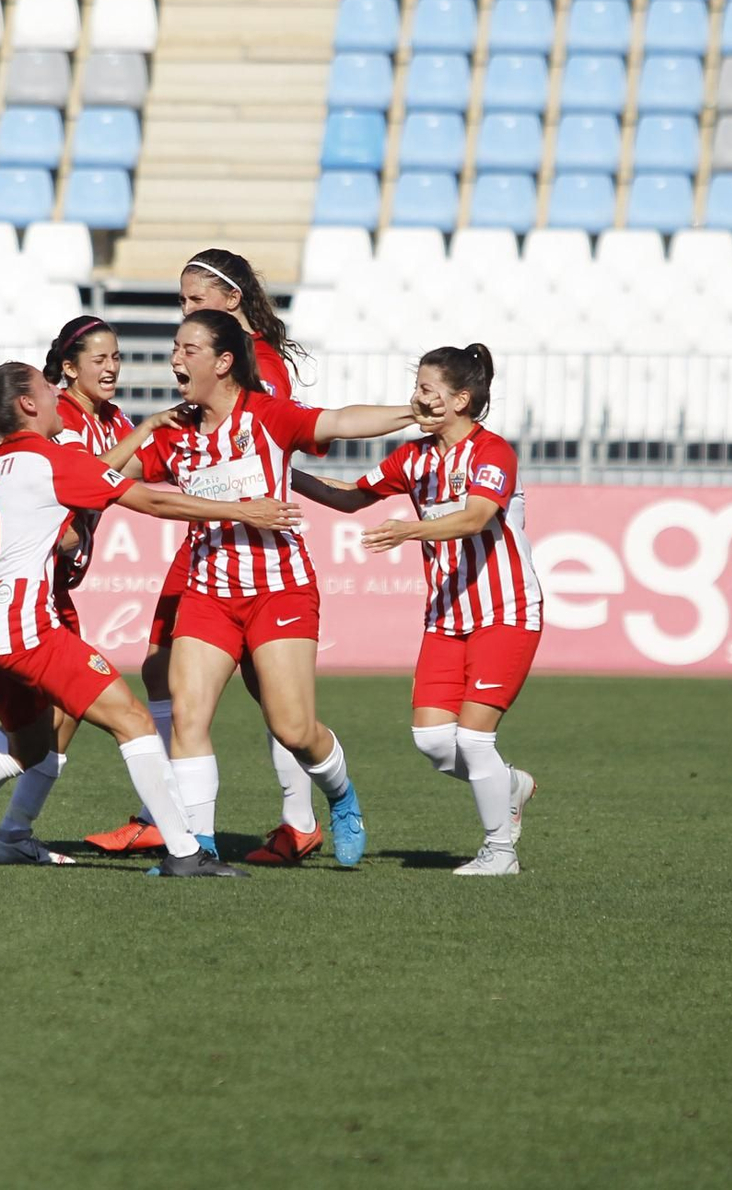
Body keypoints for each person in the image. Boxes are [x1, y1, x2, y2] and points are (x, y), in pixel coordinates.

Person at [0, 361, 307, 878]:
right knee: (131, 718)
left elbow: (51, 526)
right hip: (24, 625)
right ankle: (185, 852)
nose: (60, 396)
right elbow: (149, 499)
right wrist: (245, 511)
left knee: (28, 745)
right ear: (28, 405)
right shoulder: (51, 458)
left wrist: (145, 431)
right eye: (49, 390)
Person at [104, 309, 421, 868]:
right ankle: (196, 848)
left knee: (293, 728)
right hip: (207, 591)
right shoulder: (174, 430)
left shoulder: (268, 415)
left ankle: (342, 798)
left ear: (224, 363)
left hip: (280, 590)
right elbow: (100, 479)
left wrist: (411, 412)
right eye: (175, 348)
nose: (175, 358)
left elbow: (341, 421)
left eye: (188, 349)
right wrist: (144, 429)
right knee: (189, 716)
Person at [86, 250, 324, 865]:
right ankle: (179, 818)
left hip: (240, 543)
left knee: (264, 694)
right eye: (183, 302)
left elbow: (264, 440)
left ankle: (292, 819)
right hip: (210, 537)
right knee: (168, 672)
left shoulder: (255, 366)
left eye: (195, 301)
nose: (185, 314)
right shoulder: (216, 371)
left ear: (232, 302)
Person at [292, 344, 543, 876]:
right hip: (448, 616)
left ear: (460, 399)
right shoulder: (415, 456)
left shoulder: (493, 452)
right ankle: (510, 783)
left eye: (428, 389)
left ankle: (501, 852)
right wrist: (285, 474)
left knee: (475, 740)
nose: (417, 398)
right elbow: (353, 496)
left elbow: (476, 518)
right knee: (433, 742)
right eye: (418, 387)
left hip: (506, 609)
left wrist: (410, 530)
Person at [0, 316, 174, 865]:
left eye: (116, 357)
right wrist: (149, 429)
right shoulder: (65, 422)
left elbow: (143, 469)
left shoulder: (113, 419)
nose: (111, 367)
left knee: (56, 722)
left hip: (55, 587)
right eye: (98, 359)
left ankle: (5, 833)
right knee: (60, 720)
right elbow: (96, 476)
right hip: (36, 590)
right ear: (68, 368)